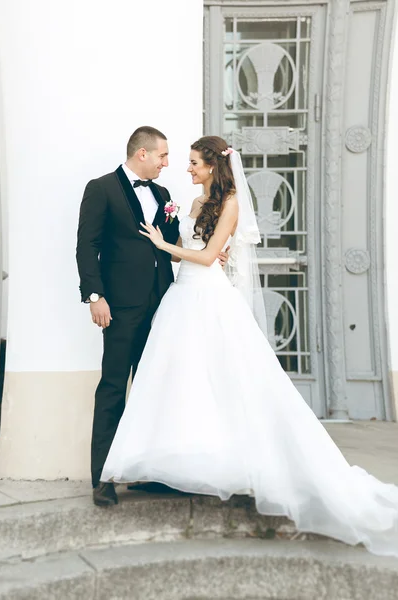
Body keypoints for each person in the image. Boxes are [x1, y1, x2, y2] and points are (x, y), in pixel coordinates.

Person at [100, 135, 398, 558]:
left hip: (208, 297)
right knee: (182, 382)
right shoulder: (194, 203)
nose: (186, 168)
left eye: (193, 162)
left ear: (212, 165)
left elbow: (206, 257)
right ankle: (182, 461)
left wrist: (164, 245)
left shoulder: (232, 203)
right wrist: (167, 249)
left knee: (229, 379)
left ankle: (246, 460)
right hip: (181, 298)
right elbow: (191, 251)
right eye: (183, 161)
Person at [76, 126, 230, 507]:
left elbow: (176, 243)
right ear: (142, 154)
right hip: (120, 307)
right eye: (162, 156)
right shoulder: (102, 188)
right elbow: (86, 245)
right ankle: (103, 478)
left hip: (164, 307)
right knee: (113, 387)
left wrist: (209, 251)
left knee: (156, 389)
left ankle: (150, 472)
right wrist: (95, 296)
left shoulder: (162, 195)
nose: (167, 163)